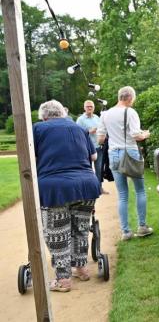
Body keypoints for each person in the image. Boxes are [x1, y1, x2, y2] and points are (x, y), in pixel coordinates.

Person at [33, 100, 101, 292]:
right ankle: (81, 269)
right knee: (80, 228)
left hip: (55, 188)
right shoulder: (78, 128)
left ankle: (63, 280)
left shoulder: (38, 129)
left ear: (44, 116)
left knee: (58, 234)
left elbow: (32, 157)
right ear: (63, 113)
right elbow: (93, 157)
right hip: (86, 185)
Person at [97, 86, 153, 241]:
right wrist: (145, 134)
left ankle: (126, 232)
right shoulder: (130, 112)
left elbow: (100, 139)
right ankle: (142, 227)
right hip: (130, 153)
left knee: (122, 195)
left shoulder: (105, 114)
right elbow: (136, 135)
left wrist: (114, 136)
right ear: (130, 98)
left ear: (119, 96)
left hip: (113, 154)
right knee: (140, 191)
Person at [76, 100, 108, 194]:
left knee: (99, 170)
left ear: (94, 108)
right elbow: (77, 134)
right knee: (87, 170)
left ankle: (99, 188)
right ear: (84, 108)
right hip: (86, 149)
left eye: (91, 106)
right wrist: (89, 131)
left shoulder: (97, 118)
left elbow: (102, 129)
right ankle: (89, 190)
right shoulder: (80, 120)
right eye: (88, 106)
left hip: (98, 147)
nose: (89, 108)